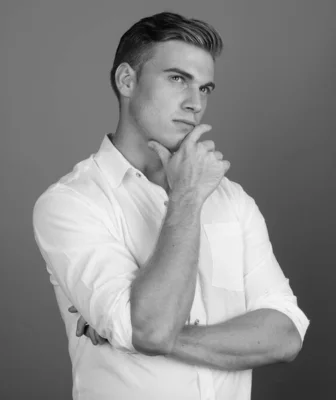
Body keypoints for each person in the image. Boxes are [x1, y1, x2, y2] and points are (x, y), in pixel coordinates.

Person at [32, 11, 309, 400]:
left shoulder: (233, 200)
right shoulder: (70, 204)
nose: (195, 103)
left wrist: (130, 333)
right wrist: (188, 198)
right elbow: (152, 330)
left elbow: (285, 336)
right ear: (127, 80)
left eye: (206, 88)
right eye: (178, 78)